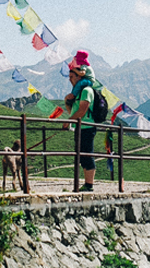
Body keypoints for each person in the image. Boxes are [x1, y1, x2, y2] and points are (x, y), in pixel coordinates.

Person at [64, 50, 97, 192]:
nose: (70, 79)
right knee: (82, 154)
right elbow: (72, 111)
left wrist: (69, 121)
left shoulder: (87, 90)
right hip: (80, 127)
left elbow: (82, 110)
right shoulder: (78, 93)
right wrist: (68, 101)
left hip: (87, 127)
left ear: (79, 76)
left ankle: (89, 185)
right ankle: (85, 183)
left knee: (87, 154)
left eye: (72, 77)